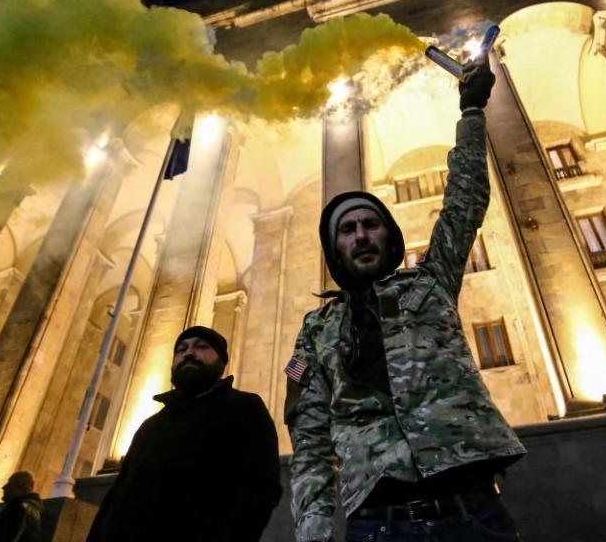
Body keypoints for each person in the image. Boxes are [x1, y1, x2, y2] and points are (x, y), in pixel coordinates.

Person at [285, 59, 526, 542]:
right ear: (336, 250)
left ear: (390, 237)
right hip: (377, 522)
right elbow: (309, 430)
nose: (360, 236)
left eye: (370, 224)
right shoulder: (317, 329)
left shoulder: (429, 283)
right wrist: (313, 527)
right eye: (348, 230)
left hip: (471, 511)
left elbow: (465, 199)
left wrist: (472, 111)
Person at [87, 326, 282, 542]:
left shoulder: (243, 407)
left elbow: (262, 486)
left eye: (202, 346)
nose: (189, 353)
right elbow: (117, 495)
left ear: (221, 361)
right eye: (181, 349)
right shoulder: (150, 426)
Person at [0, 471, 42, 542]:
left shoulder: (21, 509)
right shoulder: (19, 508)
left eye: (10, 483)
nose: (4, 487)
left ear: (21, 485)